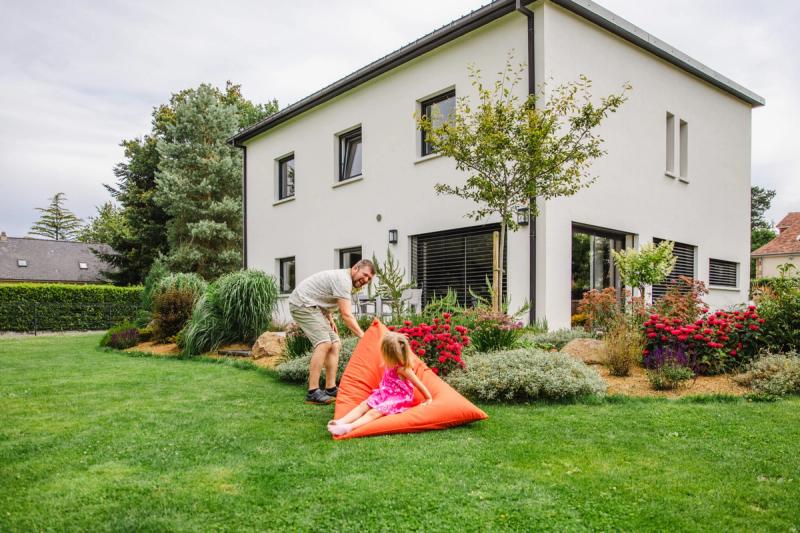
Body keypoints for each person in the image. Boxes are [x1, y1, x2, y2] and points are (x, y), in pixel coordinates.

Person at [289, 259, 375, 404]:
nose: (366, 280)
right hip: (302, 303)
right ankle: (313, 392)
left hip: (314, 306)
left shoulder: (346, 280)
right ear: (355, 268)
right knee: (324, 343)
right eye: (365, 274)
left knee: (335, 344)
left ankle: (330, 388)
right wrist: (363, 336)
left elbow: (323, 294)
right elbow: (347, 315)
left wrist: (329, 317)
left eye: (369, 278)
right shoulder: (343, 280)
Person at [328, 332, 433, 436]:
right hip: (385, 393)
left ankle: (349, 427)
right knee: (364, 404)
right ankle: (342, 421)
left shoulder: (403, 369)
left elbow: (418, 383)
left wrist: (428, 398)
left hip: (398, 398)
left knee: (374, 412)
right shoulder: (390, 363)